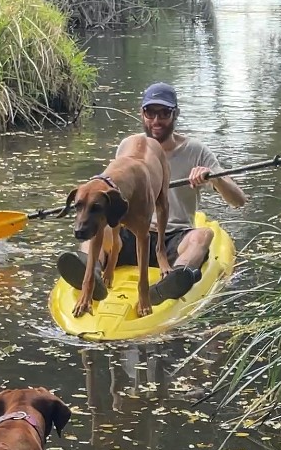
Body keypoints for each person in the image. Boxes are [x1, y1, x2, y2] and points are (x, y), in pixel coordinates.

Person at [59, 82, 246, 302]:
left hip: (174, 237)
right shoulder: (128, 147)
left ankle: (172, 281)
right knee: (98, 226)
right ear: (142, 113)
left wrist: (213, 177)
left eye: (164, 113)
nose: (156, 121)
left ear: (175, 114)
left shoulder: (195, 150)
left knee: (203, 235)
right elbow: (106, 196)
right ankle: (91, 273)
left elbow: (238, 200)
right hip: (130, 234)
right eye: (150, 112)